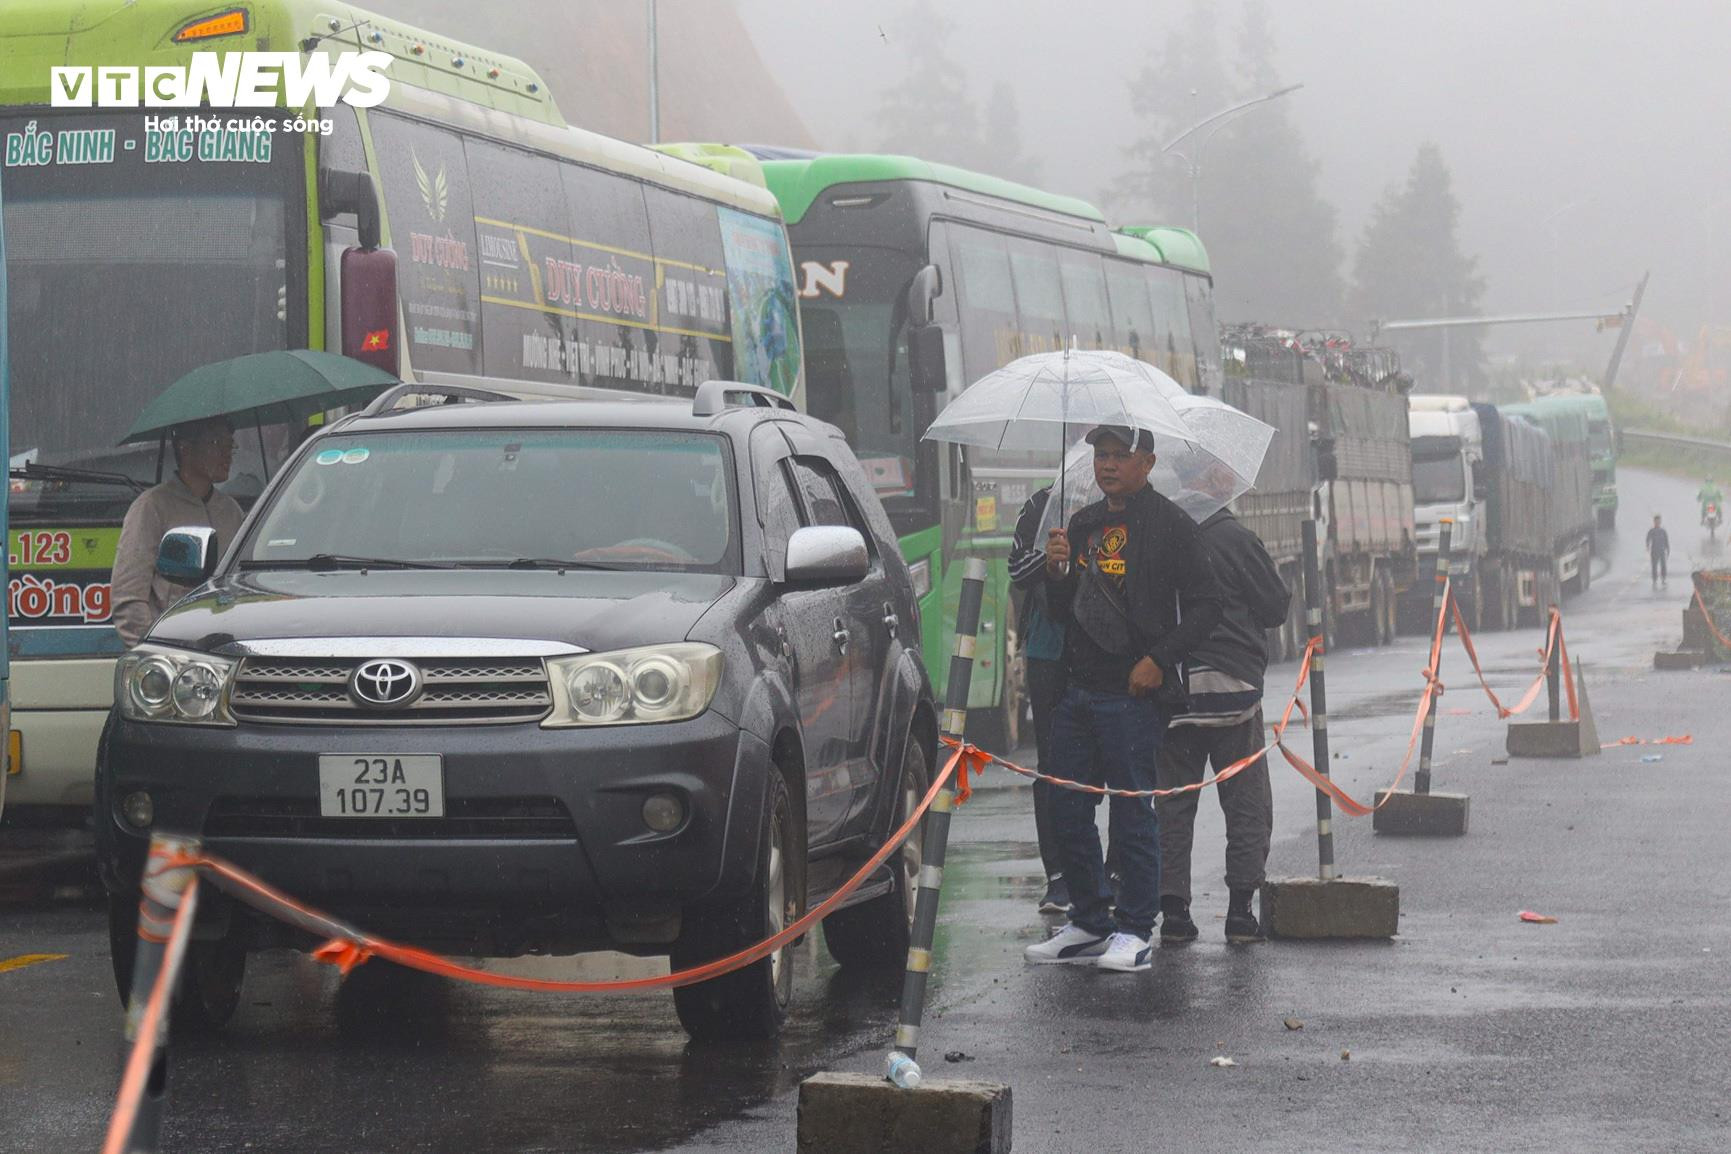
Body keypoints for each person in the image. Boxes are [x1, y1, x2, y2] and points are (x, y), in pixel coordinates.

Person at [1023, 425, 1221, 973]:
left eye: (1120, 456)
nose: (1108, 465)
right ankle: (1088, 921)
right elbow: (1064, 613)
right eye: (1101, 455)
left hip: (1133, 697)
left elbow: (1208, 605)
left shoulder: (1172, 526)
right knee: (1066, 805)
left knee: (1133, 812)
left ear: (1148, 463)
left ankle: (1135, 930)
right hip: (1077, 693)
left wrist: (1160, 659)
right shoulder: (1083, 524)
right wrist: (1057, 572)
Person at [1154, 498, 1291, 946]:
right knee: (1246, 801)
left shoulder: (1156, 535)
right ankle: (1239, 915)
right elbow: (1274, 607)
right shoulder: (1236, 539)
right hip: (1234, 693)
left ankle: (1174, 914)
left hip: (1172, 692)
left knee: (1172, 805)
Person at [111, 417, 246, 647]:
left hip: (225, 652)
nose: (226, 453)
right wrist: (155, 653)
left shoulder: (232, 511)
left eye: (230, 444)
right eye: (216, 442)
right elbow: (129, 600)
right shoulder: (152, 507)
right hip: (175, 655)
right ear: (185, 448)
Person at [1009, 484, 1071, 914]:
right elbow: (1015, 569)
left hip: (1110, 660)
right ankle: (1059, 878)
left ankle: (1114, 873)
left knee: (1119, 767)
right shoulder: (1040, 505)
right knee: (1053, 767)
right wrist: (1048, 563)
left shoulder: (1129, 505)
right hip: (1049, 655)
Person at [1646, 514, 1669, 588]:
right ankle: (1654, 579)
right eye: (1656, 521)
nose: (1657, 523)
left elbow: (1666, 541)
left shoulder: (1663, 531)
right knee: (1654, 566)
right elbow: (1648, 539)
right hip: (1654, 550)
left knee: (1663, 565)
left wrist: (1668, 549)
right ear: (1654, 522)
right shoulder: (1651, 531)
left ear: (1660, 522)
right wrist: (1648, 546)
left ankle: (1663, 578)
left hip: (1662, 550)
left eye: (1659, 521)